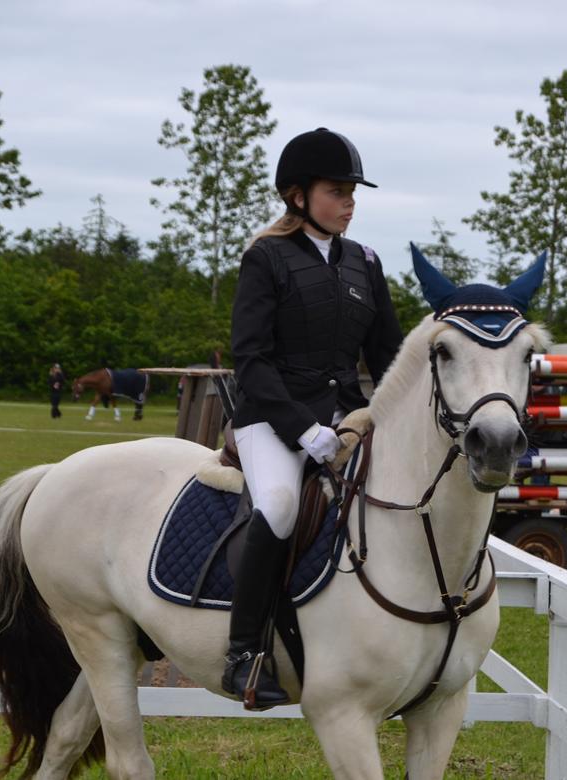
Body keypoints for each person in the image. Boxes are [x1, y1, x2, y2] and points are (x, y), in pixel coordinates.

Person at [223, 128, 403, 709]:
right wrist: (303, 429)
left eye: (353, 191)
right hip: (270, 420)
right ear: (298, 196)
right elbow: (250, 360)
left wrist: (387, 416)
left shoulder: (365, 263)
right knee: (278, 504)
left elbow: (389, 359)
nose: (350, 201)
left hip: (346, 417)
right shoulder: (266, 258)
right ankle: (244, 653)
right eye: (337, 190)